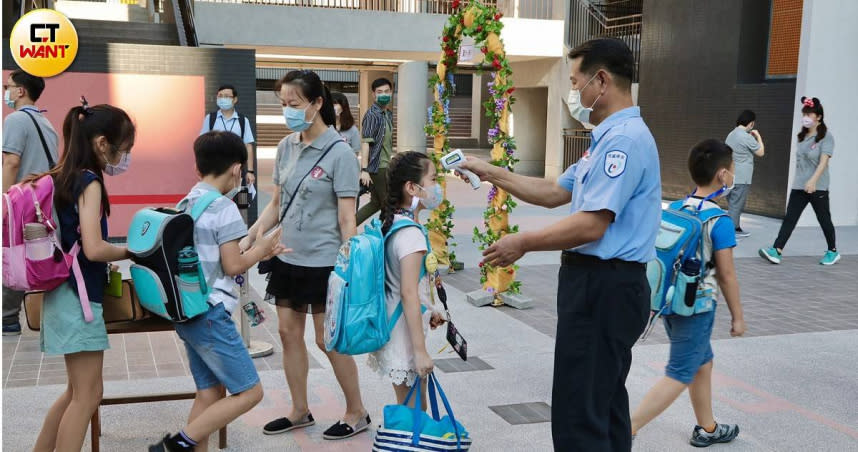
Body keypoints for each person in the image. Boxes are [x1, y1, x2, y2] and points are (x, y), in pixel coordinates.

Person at [456, 38, 661, 451]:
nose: (574, 92)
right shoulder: (606, 140)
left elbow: (591, 226)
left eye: (576, 81)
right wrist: (488, 171)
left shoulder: (623, 141)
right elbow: (553, 191)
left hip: (604, 287)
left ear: (601, 81)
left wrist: (523, 242)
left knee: (579, 414)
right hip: (603, 286)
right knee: (602, 404)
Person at [244, 70, 369, 440]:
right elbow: (278, 202)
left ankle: (357, 410)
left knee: (326, 339)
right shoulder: (285, 146)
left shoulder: (340, 153)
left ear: (317, 104)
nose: (288, 111)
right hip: (287, 256)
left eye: (294, 104)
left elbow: (348, 217)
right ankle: (299, 410)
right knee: (286, 333)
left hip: (326, 262)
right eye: (283, 104)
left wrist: (348, 265)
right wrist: (255, 231)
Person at [149, 131, 287, 452]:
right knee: (251, 392)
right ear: (238, 169)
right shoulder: (225, 208)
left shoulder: (189, 201)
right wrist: (262, 247)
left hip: (189, 310)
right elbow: (233, 265)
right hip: (211, 313)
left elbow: (214, 252)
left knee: (209, 394)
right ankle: (176, 445)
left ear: (198, 170)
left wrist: (254, 249)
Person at [32, 101, 136, 452]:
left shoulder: (59, 175)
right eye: (124, 149)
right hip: (78, 299)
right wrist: (133, 251)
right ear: (103, 143)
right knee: (87, 396)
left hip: (61, 295)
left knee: (77, 392)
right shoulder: (88, 182)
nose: (124, 157)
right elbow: (93, 248)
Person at [630, 139, 746, 448]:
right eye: (732, 169)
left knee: (702, 361)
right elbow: (726, 274)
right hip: (697, 308)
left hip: (670, 302)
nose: (733, 174)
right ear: (722, 175)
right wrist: (738, 317)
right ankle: (626, 429)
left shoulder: (676, 208)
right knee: (680, 372)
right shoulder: (719, 221)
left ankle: (707, 427)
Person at [367, 151, 447, 407]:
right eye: (433, 180)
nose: (438, 187)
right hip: (405, 338)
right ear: (412, 187)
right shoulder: (410, 234)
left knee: (413, 409)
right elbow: (407, 293)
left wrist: (430, 309)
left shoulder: (395, 224)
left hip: (398, 328)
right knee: (413, 413)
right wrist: (421, 352)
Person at [2, 69, 59, 336]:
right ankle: (26, 316)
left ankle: (7, 318)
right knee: (31, 257)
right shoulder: (46, 123)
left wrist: (3, 201)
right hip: (42, 203)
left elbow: (11, 162)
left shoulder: (15, 120)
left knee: (9, 255)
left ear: (21, 91)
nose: (7, 91)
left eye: (8, 86)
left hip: (20, 203)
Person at [759, 96, 839, 266]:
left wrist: (813, 181)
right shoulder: (801, 136)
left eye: (810, 114)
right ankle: (777, 250)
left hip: (818, 186)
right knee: (790, 218)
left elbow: (824, 162)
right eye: (805, 114)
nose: (806, 117)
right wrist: (801, 182)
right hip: (799, 185)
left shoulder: (826, 137)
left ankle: (832, 251)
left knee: (824, 219)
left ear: (818, 116)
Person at [199, 84, 257, 186]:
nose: (222, 98)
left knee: (239, 200)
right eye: (220, 96)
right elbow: (202, 144)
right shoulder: (210, 119)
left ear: (235, 100)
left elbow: (248, 146)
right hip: (215, 172)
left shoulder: (243, 121)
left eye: (226, 96)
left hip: (237, 172)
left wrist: (250, 171)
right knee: (217, 200)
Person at [356, 77, 395, 225]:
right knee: (390, 204)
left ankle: (346, 228)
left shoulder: (388, 114)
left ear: (391, 92)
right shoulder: (372, 115)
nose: (383, 94)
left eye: (386, 91)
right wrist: (364, 170)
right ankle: (384, 234)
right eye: (379, 92)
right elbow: (366, 143)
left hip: (386, 164)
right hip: (377, 167)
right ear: (373, 94)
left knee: (376, 203)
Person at [724, 110, 765, 237]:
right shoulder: (746, 137)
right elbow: (761, 152)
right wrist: (758, 137)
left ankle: (735, 227)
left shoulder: (730, 134)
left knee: (733, 203)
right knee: (737, 205)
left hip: (731, 175)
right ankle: (731, 231)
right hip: (743, 177)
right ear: (751, 123)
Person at [331, 92, 361, 156]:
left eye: (335, 103)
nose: (331, 106)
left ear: (343, 107)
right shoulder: (324, 127)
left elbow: (355, 154)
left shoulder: (353, 130)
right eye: (329, 104)